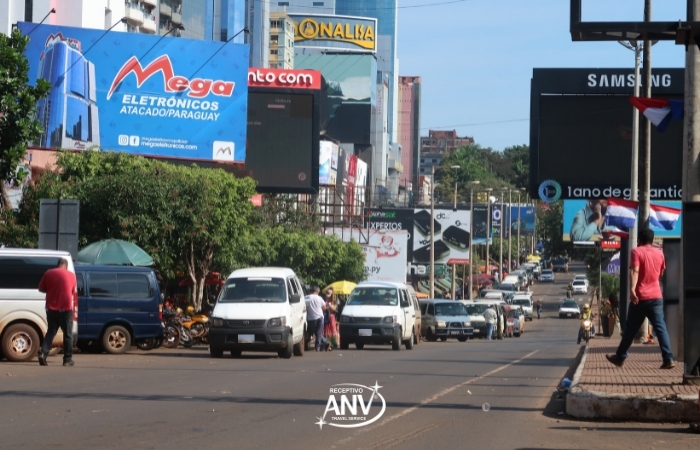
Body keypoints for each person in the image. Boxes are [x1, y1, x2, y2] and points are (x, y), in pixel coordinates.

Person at [606, 228, 675, 369]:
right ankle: (668, 358)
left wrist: (632, 289)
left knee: (631, 329)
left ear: (639, 239)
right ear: (652, 239)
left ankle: (620, 357)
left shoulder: (636, 252)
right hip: (656, 296)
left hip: (640, 297)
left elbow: (635, 270)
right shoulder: (660, 253)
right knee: (661, 329)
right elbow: (661, 272)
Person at [37, 258, 77, 366]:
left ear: (58, 264)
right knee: (68, 334)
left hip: (51, 309)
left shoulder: (48, 273)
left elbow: (40, 288)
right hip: (66, 309)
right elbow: (72, 291)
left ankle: (43, 354)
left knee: (50, 332)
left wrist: (51, 290)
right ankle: (67, 359)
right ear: (66, 266)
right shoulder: (71, 275)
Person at [305, 286, 329, 352]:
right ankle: (323, 344)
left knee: (316, 333)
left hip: (311, 318)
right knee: (318, 333)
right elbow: (324, 307)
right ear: (316, 292)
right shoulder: (319, 298)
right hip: (320, 317)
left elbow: (305, 307)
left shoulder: (306, 298)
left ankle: (319, 346)